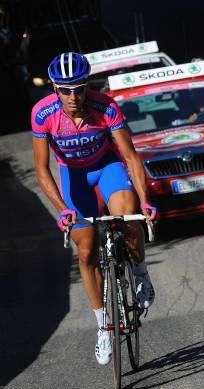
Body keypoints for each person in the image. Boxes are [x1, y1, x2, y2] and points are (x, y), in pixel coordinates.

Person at [31, 52, 157, 366]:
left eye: (79, 88)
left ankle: (140, 273)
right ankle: (103, 326)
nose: (74, 96)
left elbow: (130, 156)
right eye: (66, 89)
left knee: (127, 215)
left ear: (88, 86)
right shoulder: (43, 113)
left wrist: (145, 201)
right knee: (85, 250)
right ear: (54, 88)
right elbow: (42, 170)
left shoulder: (106, 107)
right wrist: (61, 210)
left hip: (107, 167)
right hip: (73, 176)